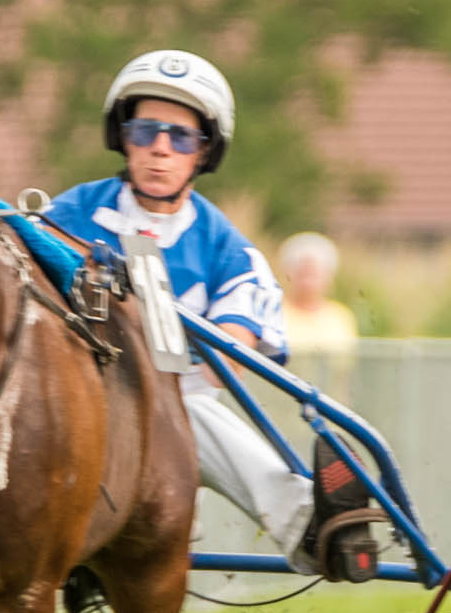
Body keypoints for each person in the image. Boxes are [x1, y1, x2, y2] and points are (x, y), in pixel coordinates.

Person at [44, 49, 380, 581]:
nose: (160, 148)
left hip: (171, 421)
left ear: (204, 152)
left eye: (180, 137)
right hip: (69, 406)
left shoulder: (230, 251)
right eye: (145, 132)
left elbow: (230, 359)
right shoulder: (64, 216)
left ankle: (314, 529)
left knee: (184, 403)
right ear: (122, 138)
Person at [278, 231, 360, 396]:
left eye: (314, 274)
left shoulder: (340, 317)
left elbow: (347, 372)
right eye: (303, 274)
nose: (308, 281)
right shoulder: (275, 313)